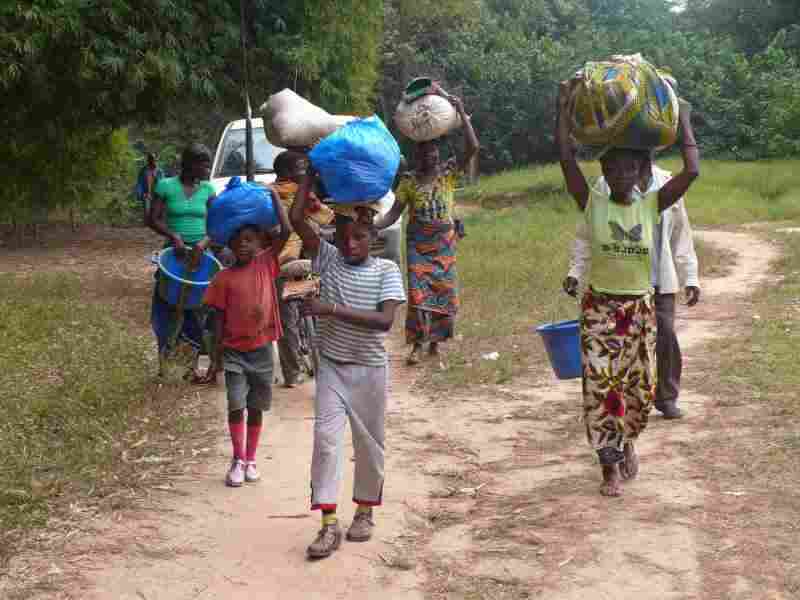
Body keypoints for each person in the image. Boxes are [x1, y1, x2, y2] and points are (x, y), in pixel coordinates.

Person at [555, 81, 700, 497]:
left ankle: (629, 439)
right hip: (599, 311)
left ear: (643, 173)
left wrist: (684, 118)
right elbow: (566, 158)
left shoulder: (652, 205)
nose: (620, 176)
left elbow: (692, 170)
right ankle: (609, 467)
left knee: (637, 389)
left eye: (629, 170)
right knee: (601, 386)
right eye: (612, 170)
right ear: (603, 173)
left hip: (639, 311)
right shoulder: (592, 202)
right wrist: (562, 108)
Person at [290, 164, 406, 560]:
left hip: (370, 370)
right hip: (333, 368)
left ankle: (364, 512)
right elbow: (295, 219)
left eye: (359, 237)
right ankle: (327, 524)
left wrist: (329, 309)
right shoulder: (326, 260)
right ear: (334, 240)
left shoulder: (387, 270)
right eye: (343, 238)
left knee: (369, 445)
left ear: (373, 239)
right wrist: (309, 173)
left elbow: (385, 321)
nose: (351, 244)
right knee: (325, 442)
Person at [563, 161, 701, 420]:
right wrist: (575, 271)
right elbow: (586, 235)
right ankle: (621, 401)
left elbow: (681, 233)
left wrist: (690, 276)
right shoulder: (606, 185)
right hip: (618, 285)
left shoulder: (665, 183)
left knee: (666, 336)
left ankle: (667, 397)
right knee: (621, 345)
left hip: (658, 280)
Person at [376, 88, 479, 366]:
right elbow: (394, 213)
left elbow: (473, 148)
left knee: (443, 291)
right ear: (417, 157)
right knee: (418, 294)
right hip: (418, 243)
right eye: (425, 153)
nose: (431, 157)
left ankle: (435, 343)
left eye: (434, 152)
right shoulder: (408, 181)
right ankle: (417, 346)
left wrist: (461, 113)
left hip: (443, 241)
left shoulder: (448, 173)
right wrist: (374, 226)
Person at [199, 202, 291, 487]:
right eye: (238, 241)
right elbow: (217, 318)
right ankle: (237, 458)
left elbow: (287, 230)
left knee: (256, 406)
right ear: (229, 244)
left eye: (250, 240)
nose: (243, 245)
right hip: (233, 351)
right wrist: (215, 357)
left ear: (261, 243)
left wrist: (275, 197)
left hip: (263, 348)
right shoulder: (222, 278)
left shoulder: (266, 263)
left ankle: (251, 459)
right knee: (235, 403)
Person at [148, 143, 216, 377]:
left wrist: (203, 243)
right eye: (203, 163)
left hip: (201, 255)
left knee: (198, 308)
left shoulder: (208, 189)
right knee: (167, 304)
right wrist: (173, 236)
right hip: (174, 254)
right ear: (189, 164)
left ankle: (192, 365)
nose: (207, 168)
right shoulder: (166, 186)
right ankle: (165, 363)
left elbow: (216, 224)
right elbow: (152, 218)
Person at [271, 150, 335, 386]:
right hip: (299, 262)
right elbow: (328, 218)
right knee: (319, 309)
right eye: (301, 167)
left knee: (285, 320)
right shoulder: (302, 194)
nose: (305, 172)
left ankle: (291, 374)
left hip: (275, 264)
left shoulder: (267, 191)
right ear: (288, 172)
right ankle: (327, 360)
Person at [136, 152, 164, 225]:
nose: (152, 161)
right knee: (147, 211)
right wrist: (141, 194)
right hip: (147, 194)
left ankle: (158, 225)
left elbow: (163, 183)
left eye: (153, 159)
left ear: (156, 160)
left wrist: (156, 177)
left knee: (158, 212)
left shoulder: (159, 171)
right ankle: (147, 226)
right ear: (148, 160)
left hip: (157, 194)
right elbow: (140, 183)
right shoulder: (143, 171)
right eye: (150, 159)